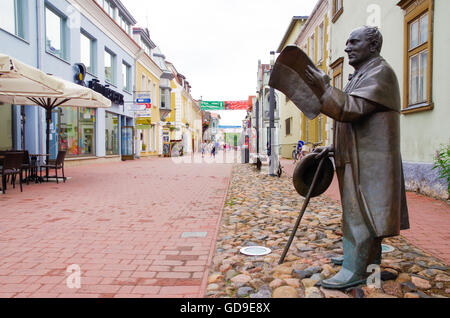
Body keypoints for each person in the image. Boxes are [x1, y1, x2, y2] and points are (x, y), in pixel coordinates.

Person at [305, 26, 409, 289]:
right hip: (356, 159)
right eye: (347, 42)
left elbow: (349, 109)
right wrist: (333, 147)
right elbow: (354, 123)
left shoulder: (380, 73)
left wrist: (324, 87)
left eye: (354, 42)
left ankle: (355, 269)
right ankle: (363, 261)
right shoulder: (361, 74)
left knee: (363, 215)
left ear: (372, 47)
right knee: (357, 213)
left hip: (371, 164)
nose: (347, 47)